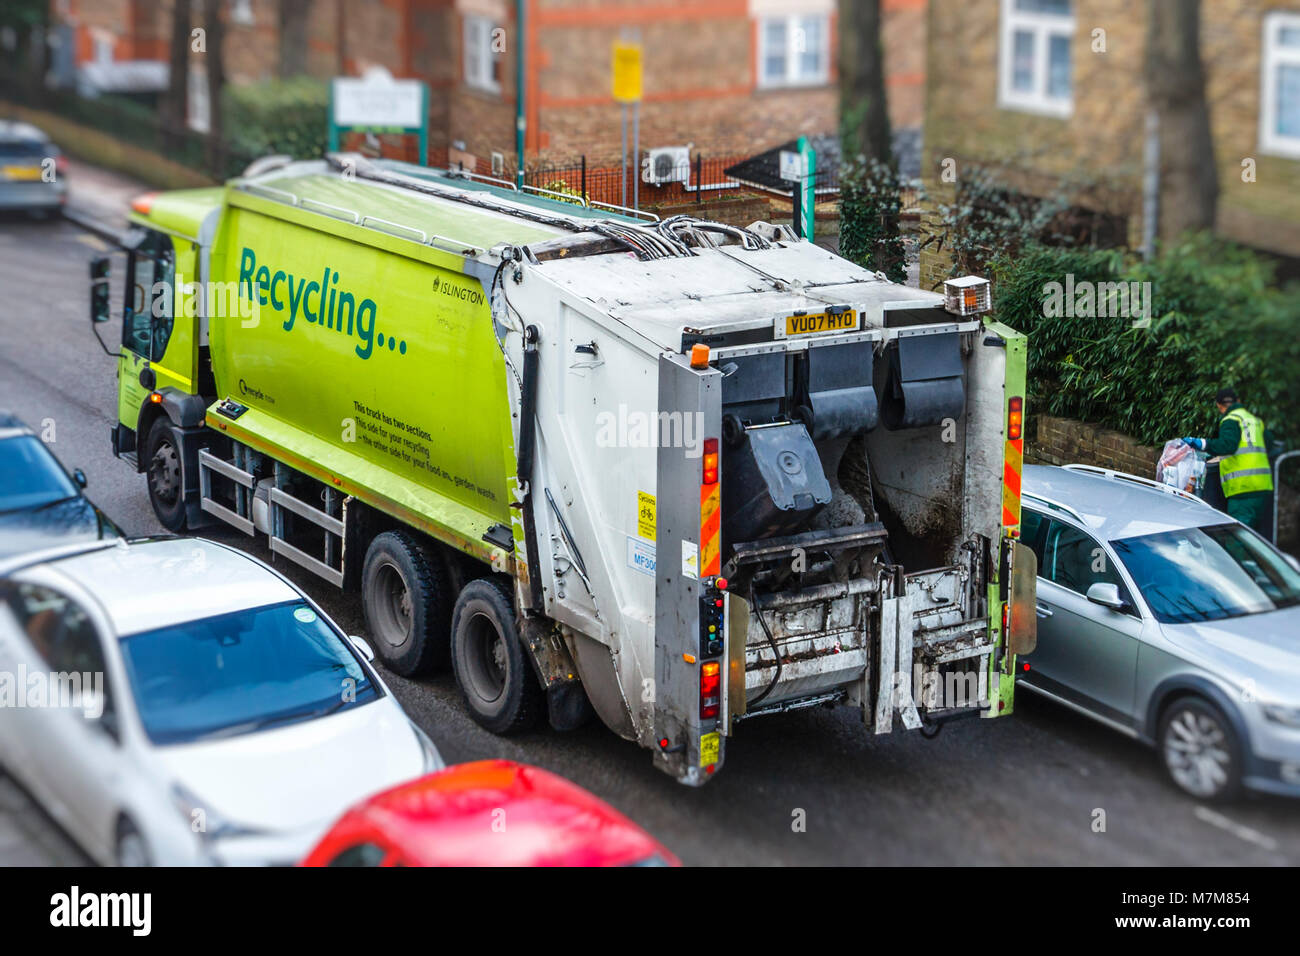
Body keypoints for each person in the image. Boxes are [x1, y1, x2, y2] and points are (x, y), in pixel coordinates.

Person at [1182, 387, 1275, 535]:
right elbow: (1268, 444)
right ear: (1238, 401)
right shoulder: (1254, 420)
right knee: (1260, 537)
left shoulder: (1230, 420)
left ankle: (1240, 560)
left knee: (1239, 537)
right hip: (1263, 486)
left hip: (1243, 488)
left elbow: (1227, 445)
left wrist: (1203, 443)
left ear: (1219, 405)